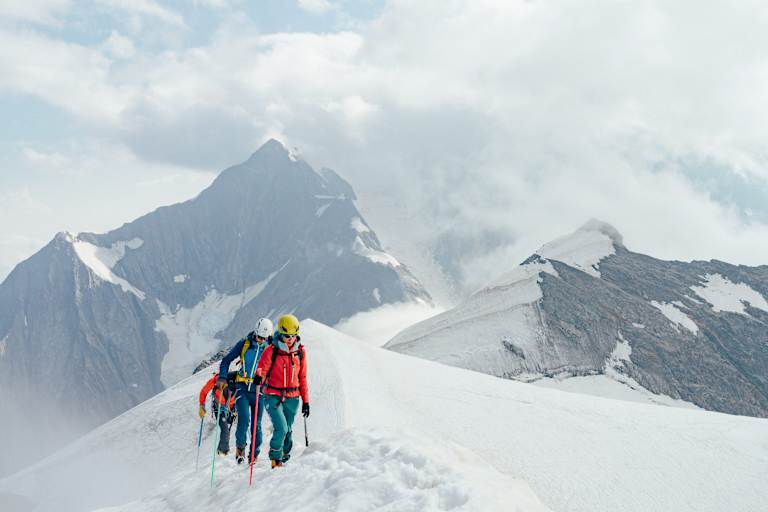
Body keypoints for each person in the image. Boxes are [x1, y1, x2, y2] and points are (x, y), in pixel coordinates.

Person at [252, 314, 310, 469]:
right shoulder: (272, 350)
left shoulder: (300, 353)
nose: (290, 339)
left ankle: (284, 454)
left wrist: (306, 402)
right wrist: (259, 377)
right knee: (282, 428)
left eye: (293, 336)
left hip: (293, 398)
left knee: (289, 430)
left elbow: (302, 378)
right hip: (273, 396)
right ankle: (275, 457)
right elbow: (262, 369)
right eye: (286, 336)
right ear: (280, 333)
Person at [216, 318, 273, 464]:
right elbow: (226, 360)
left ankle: (254, 455)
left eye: (264, 338)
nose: (261, 341)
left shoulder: (270, 349)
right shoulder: (245, 344)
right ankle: (240, 450)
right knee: (244, 420)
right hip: (242, 388)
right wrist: (222, 378)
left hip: (259, 392)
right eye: (259, 337)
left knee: (257, 427)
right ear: (255, 332)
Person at [198, 371, 237, 455]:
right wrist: (202, 405)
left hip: (232, 408)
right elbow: (204, 392)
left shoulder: (236, 381)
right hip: (219, 408)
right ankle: (222, 451)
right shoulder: (216, 381)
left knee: (228, 425)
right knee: (225, 429)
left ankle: (225, 447)